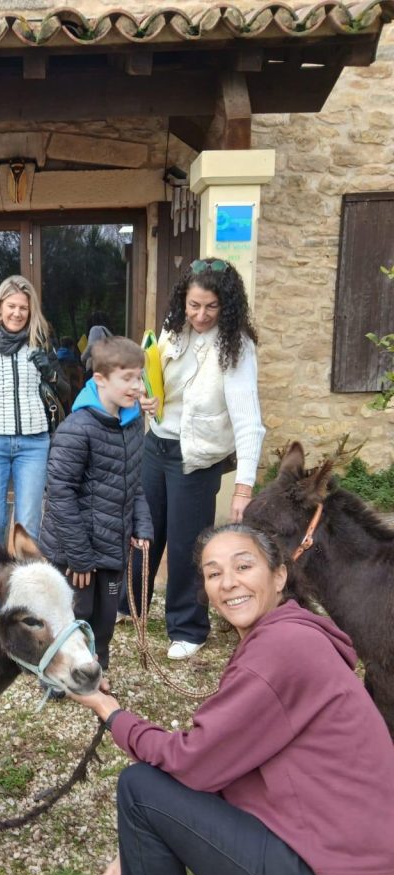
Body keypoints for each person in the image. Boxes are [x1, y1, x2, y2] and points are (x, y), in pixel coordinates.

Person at [72, 523, 394, 875]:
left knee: (141, 787)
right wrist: (134, 855)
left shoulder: (278, 653)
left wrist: (111, 713)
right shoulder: (297, 635)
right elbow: (224, 766)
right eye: (213, 573)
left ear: (280, 574)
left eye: (244, 566)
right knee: (173, 791)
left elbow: (191, 760)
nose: (228, 583)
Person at [121, 257, 265, 660]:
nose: (200, 315)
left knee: (187, 546)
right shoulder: (173, 330)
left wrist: (243, 486)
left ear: (227, 306)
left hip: (197, 459)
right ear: (183, 301)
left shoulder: (236, 347)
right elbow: (154, 380)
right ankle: (128, 604)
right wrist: (147, 396)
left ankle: (187, 628)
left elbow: (250, 423)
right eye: (194, 305)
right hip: (157, 445)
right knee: (142, 532)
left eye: (211, 307)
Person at [39, 336, 153, 683]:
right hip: (75, 551)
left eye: (139, 377)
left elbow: (133, 482)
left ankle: (95, 670)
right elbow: (59, 493)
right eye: (127, 378)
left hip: (112, 547)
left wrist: (142, 525)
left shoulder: (133, 424)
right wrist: (79, 555)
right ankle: (59, 675)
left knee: (104, 617)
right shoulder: (77, 429)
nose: (136, 386)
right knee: (76, 613)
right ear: (100, 379)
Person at [0, 275, 67, 564]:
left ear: (31, 311)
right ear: (0, 307)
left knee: (28, 526)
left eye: (23, 308)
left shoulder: (41, 341)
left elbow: (65, 390)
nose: (17, 313)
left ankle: (23, 590)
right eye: (11, 306)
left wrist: (51, 372)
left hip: (34, 444)